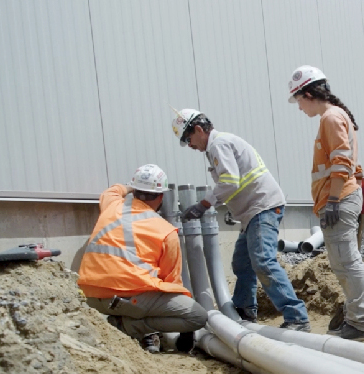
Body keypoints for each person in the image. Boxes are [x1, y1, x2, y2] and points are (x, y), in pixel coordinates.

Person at [171, 108, 311, 332]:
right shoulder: (218, 145)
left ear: (198, 129)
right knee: (241, 263)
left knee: (263, 261)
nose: (190, 145)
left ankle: (297, 317)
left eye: (188, 139)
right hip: (252, 211)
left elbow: (229, 181)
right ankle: (245, 309)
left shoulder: (218, 144)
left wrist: (203, 205)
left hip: (262, 207)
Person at [78, 164, 208, 353]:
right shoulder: (166, 231)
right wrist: (187, 332)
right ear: (161, 197)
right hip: (130, 299)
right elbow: (172, 283)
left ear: (135, 191)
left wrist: (134, 186)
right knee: (197, 317)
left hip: (91, 295)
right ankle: (127, 327)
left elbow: (113, 190)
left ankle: (126, 323)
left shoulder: (111, 206)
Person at [288, 65, 364, 340]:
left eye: (299, 101)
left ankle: (361, 323)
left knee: (347, 262)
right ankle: (355, 316)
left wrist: (335, 200)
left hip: (338, 197)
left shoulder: (331, 118)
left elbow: (341, 162)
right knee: (343, 261)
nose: (300, 108)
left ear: (309, 93)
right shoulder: (335, 117)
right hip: (340, 196)